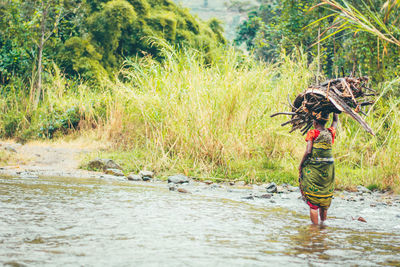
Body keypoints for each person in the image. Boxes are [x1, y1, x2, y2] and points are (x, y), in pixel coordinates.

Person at [299, 113, 339, 225]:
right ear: (325, 121)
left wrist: (301, 164)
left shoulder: (313, 133)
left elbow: (308, 151)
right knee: (324, 198)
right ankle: (323, 226)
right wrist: (335, 111)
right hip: (328, 171)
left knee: (313, 202)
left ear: (315, 123)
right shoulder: (330, 132)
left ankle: (315, 230)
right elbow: (335, 121)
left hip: (315, 170)